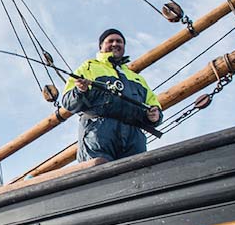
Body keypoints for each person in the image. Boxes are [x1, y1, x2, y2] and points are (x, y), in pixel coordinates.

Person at [59, 28, 162, 162]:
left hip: (133, 137)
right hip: (99, 133)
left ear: (124, 46)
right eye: (110, 41)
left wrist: (155, 116)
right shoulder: (88, 67)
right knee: (99, 175)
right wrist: (80, 90)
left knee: (136, 176)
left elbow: (153, 105)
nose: (115, 44)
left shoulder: (136, 78)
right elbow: (68, 102)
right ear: (101, 46)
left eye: (119, 41)